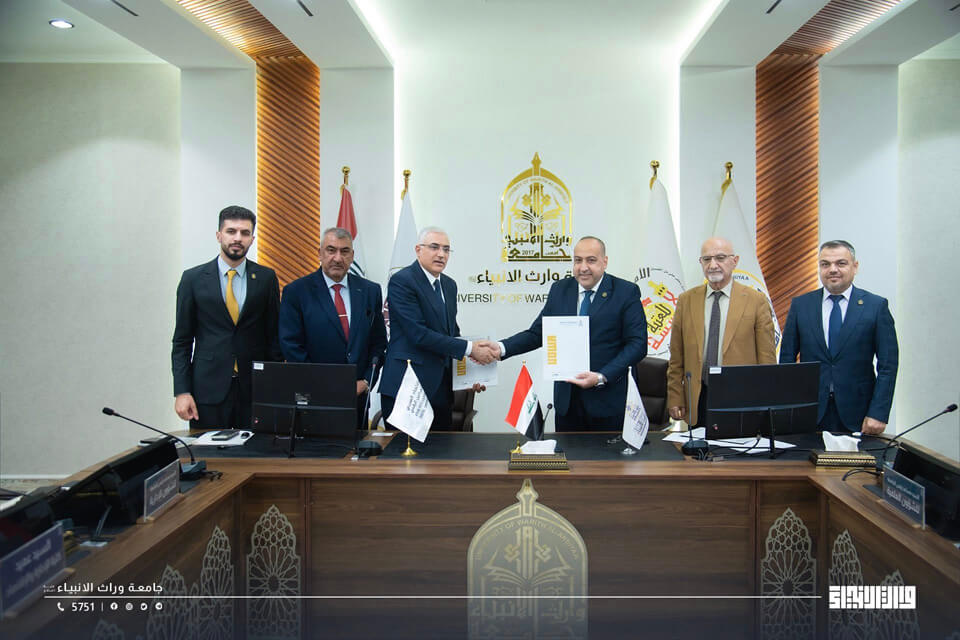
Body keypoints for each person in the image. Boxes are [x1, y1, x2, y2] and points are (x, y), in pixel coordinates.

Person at [487, 236, 647, 430]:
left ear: (604, 262)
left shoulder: (626, 291)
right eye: (578, 260)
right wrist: (502, 348)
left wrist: (601, 376)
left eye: (591, 260)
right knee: (566, 451)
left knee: (605, 452)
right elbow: (538, 333)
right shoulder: (560, 289)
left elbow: (638, 345)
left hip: (608, 402)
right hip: (568, 404)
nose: (583, 267)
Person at [172, 205, 282, 429]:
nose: (237, 238)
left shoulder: (266, 278)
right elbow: (182, 341)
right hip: (207, 390)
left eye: (245, 233)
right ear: (219, 235)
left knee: (256, 450)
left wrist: (274, 388)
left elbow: (274, 338)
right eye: (231, 231)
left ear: (252, 239)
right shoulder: (193, 279)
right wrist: (182, 391)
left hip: (255, 390)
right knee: (208, 450)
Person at [779, 240, 898, 434]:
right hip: (809, 414)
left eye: (841, 263)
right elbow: (787, 362)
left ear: (855, 267)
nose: (832, 269)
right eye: (825, 264)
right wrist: (787, 410)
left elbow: (888, 366)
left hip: (859, 415)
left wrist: (879, 413)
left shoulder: (876, 306)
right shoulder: (801, 306)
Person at [378, 227, 493, 428]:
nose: (441, 254)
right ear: (418, 250)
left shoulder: (449, 285)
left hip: (441, 390)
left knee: (441, 447)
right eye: (434, 247)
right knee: (402, 449)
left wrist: (469, 376)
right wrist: (470, 348)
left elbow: (451, 333)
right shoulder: (402, 281)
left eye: (446, 249)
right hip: (407, 387)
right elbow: (419, 335)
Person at [279, 227, 387, 427]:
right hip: (314, 398)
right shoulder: (296, 292)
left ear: (352, 256)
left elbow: (378, 343)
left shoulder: (370, 291)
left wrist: (365, 381)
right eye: (331, 250)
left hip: (357, 397)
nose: (338, 258)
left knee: (357, 447)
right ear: (319, 253)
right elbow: (291, 346)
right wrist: (323, 386)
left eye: (344, 251)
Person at [666, 237, 777, 427]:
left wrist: (765, 403)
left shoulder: (756, 301)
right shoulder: (686, 300)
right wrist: (675, 396)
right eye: (707, 259)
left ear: (735, 261)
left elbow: (767, 360)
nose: (713, 265)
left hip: (741, 399)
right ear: (701, 262)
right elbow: (677, 357)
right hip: (698, 397)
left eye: (720, 258)